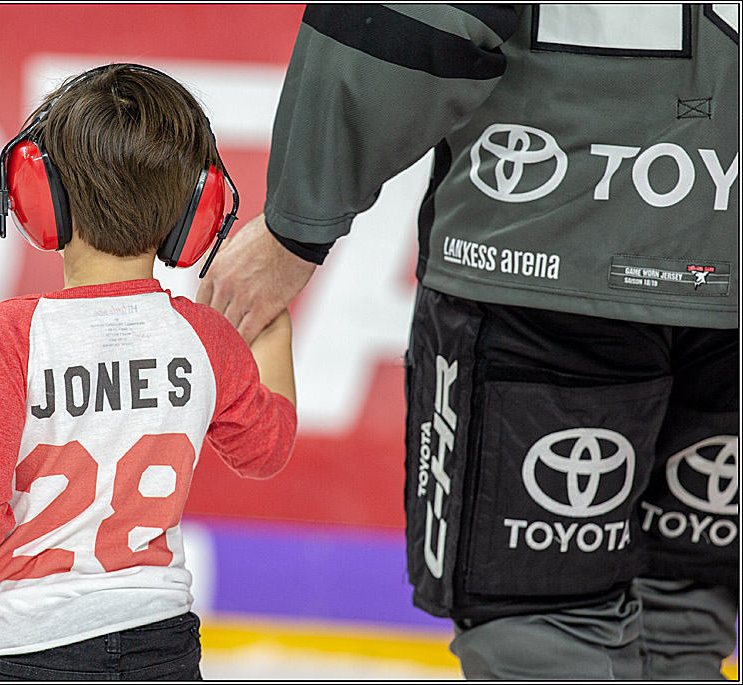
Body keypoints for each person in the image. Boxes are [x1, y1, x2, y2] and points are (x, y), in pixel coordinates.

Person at [197, 4, 738, 680]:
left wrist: (295, 224)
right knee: (681, 612)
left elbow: (416, 17)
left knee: (540, 626)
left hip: (545, 256)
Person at [0, 63, 297, 680]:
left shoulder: (13, 333)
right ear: (193, 213)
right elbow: (268, 449)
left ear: (39, 194)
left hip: (25, 642)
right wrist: (274, 329)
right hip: (162, 642)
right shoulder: (206, 338)